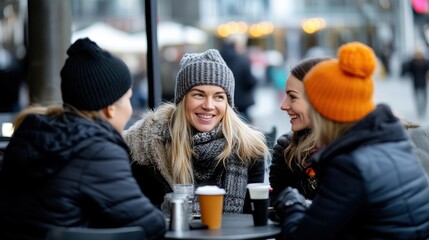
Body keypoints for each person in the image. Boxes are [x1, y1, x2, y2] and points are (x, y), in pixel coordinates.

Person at [0, 38, 165, 240]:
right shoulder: (96, 150)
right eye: (128, 98)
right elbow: (151, 225)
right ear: (110, 107)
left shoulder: (30, 135)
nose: (130, 108)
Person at [273, 42, 429, 239]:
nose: (284, 106)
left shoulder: (350, 164)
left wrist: (291, 203)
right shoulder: (394, 142)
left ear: (324, 110)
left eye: (295, 98)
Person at [123, 49, 270, 214]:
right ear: (182, 100)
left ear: (227, 103)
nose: (209, 105)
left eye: (219, 97)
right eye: (199, 95)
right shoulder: (149, 145)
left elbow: (251, 219)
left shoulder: (249, 149)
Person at [269, 57, 329, 203]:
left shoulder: (354, 148)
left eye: (293, 97)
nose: (284, 106)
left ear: (319, 100)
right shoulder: (286, 149)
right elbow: (280, 207)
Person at [220, 37, 257, 123]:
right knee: (245, 129)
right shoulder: (242, 60)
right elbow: (250, 81)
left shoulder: (219, 61)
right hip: (241, 103)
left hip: (224, 102)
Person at [401, 49, 429, 118]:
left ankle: (421, 110)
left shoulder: (423, 62)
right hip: (418, 83)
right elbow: (406, 70)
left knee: (422, 97)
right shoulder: (413, 63)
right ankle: (420, 110)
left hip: (420, 82)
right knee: (419, 97)